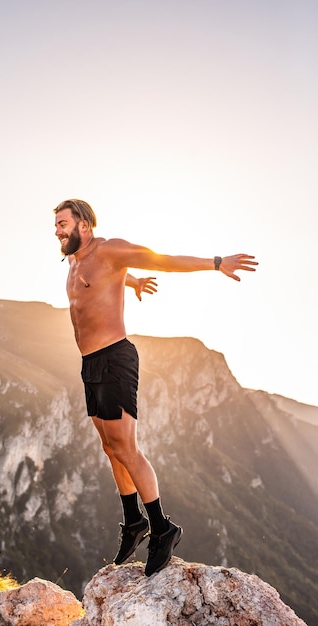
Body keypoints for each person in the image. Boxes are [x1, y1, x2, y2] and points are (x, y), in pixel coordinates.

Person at [53, 198, 257, 576]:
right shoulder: (74, 260)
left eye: (62, 223)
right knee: (109, 446)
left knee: (126, 448)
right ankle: (134, 522)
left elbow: (162, 260)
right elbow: (98, 281)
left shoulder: (111, 249)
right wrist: (131, 281)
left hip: (115, 358)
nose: (57, 231)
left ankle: (162, 527)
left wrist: (216, 263)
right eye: (56, 225)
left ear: (84, 223)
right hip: (90, 363)